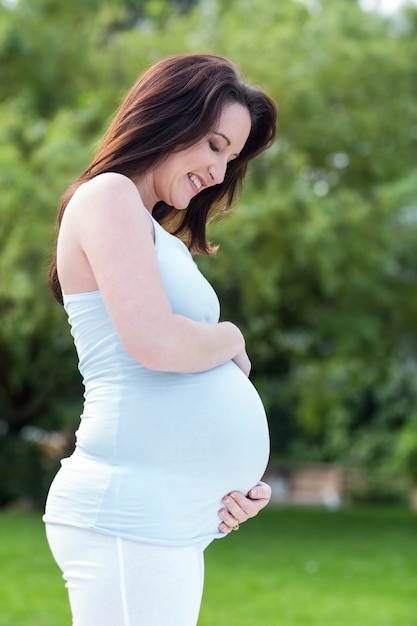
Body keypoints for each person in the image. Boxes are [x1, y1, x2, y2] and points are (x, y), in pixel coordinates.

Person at [43, 53, 277, 625]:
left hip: (162, 516)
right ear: (172, 117)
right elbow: (156, 344)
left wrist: (226, 487)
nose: (221, 174)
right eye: (216, 145)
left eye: (233, 157)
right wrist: (230, 337)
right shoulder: (107, 197)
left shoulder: (151, 229)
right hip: (127, 512)